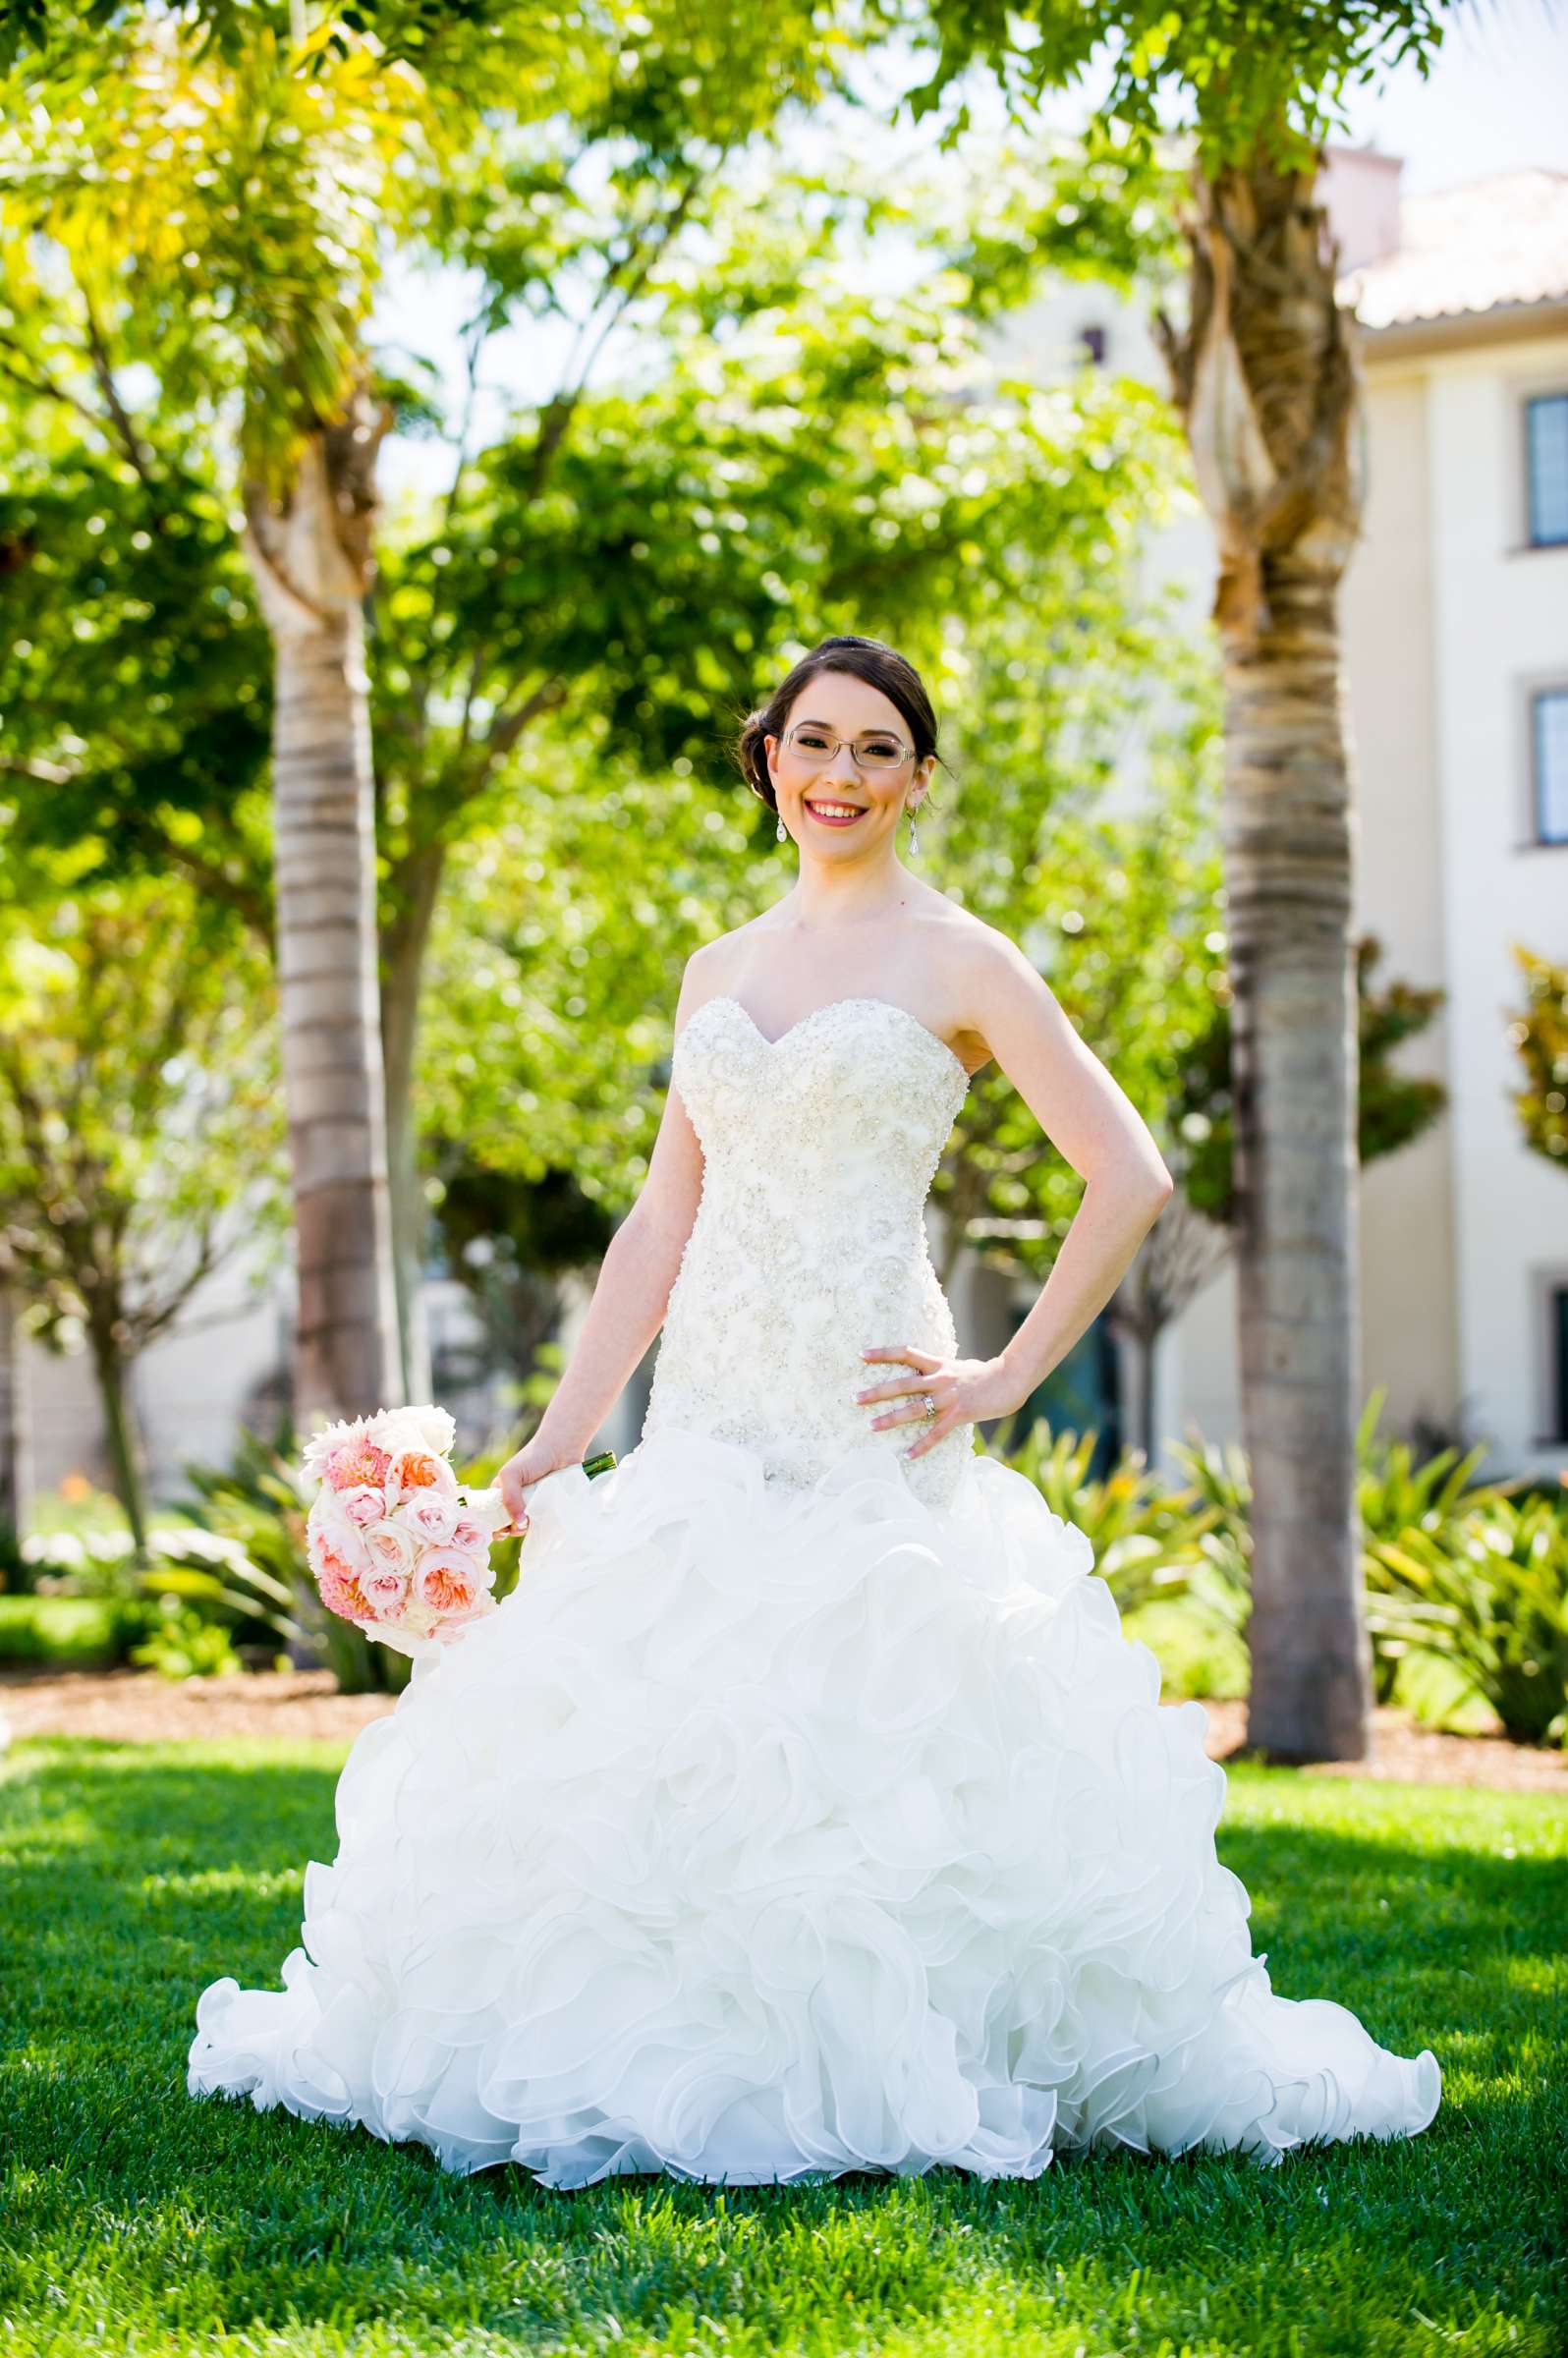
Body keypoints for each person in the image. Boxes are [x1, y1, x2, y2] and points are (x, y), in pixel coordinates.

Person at [188, 633, 1442, 2188]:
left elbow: (1131, 1176)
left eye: (875, 748)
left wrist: (1001, 1376)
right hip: (708, 1409)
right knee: (674, 1729)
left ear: (919, 777)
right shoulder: (718, 970)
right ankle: (669, 2054)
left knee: (872, 1735)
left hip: (869, 1415)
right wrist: (561, 1435)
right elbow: (659, 1227)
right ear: (767, 759)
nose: (838, 773)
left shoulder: (963, 959)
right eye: (813, 742)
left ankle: (907, 2053)